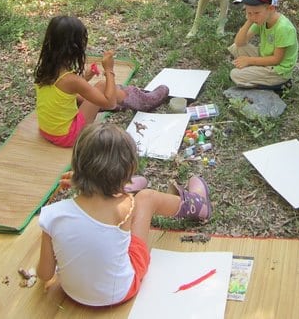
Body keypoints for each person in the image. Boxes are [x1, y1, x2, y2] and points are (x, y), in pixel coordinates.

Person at [37, 123, 212, 306]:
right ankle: (198, 204)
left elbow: (45, 274)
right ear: (127, 170)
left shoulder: (52, 215)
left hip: (73, 293)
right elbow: (115, 211)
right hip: (122, 291)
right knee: (146, 198)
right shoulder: (125, 207)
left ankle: (104, 183)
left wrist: (85, 180)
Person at [34, 16, 169, 148]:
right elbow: (109, 104)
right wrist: (109, 70)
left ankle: (126, 95)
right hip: (68, 136)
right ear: (75, 47)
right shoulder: (71, 79)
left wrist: (86, 76)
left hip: (47, 131)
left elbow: (65, 91)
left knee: (97, 90)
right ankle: (143, 101)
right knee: (102, 86)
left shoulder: (45, 69)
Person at [229, 0, 298, 88]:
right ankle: (257, 72)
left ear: (271, 9)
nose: (253, 16)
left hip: (278, 70)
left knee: (235, 74)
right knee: (237, 47)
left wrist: (249, 60)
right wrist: (249, 21)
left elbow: (276, 60)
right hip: (265, 57)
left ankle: (279, 85)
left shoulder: (283, 28)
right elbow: (239, 42)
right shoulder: (262, 20)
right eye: (249, 13)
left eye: (256, 13)